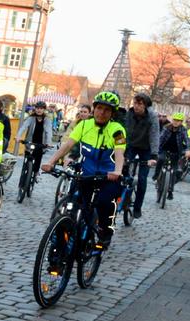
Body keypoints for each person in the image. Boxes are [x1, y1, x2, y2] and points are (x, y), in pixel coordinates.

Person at [42, 91, 127, 250]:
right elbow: (68, 145)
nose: (102, 113)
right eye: (99, 108)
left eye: (107, 110)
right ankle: (58, 250)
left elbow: (119, 152)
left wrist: (117, 171)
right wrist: (51, 162)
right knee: (70, 207)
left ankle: (104, 232)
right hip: (86, 174)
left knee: (104, 203)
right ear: (94, 109)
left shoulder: (118, 130)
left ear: (112, 113)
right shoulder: (84, 125)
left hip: (107, 176)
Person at [124, 92, 159, 218]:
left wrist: (154, 156)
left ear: (146, 106)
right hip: (132, 146)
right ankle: (123, 197)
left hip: (146, 148)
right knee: (125, 172)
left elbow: (154, 135)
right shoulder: (129, 114)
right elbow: (125, 132)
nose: (136, 106)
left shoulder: (152, 117)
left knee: (142, 179)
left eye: (139, 104)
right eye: (135, 103)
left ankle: (137, 207)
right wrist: (123, 152)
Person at [156, 112, 190, 200]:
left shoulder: (183, 130)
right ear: (172, 120)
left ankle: (170, 191)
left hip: (176, 151)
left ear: (181, 122)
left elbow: (187, 140)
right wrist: (156, 148)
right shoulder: (166, 127)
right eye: (175, 120)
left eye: (178, 121)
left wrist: (188, 150)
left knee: (175, 170)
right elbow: (161, 138)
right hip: (164, 149)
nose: (176, 122)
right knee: (160, 159)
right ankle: (156, 175)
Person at [17, 101, 53, 177]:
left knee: (38, 157)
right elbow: (23, 127)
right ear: (35, 109)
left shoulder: (47, 120)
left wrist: (48, 142)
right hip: (29, 142)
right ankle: (25, 172)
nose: (39, 110)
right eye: (37, 108)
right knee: (27, 157)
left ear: (44, 110)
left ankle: (36, 172)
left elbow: (48, 131)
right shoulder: (31, 118)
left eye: (41, 108)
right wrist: (18, 136)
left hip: (41, 143)